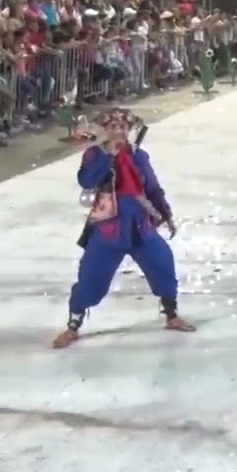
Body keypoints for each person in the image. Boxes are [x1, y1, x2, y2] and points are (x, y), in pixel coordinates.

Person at [53, 107, 194, 349]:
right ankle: (73, 324)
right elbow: (87, 181)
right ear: (105, 131)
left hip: (140, 225)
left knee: (163, 265)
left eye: (123, 128)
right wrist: (109, 157)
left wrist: (166, 213)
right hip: (109, 228)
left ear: (129, 130)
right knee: (91, 279)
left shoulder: (139, 155)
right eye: (112, 128)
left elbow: (152, 187)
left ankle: (171, 315)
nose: (118, 132)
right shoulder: (94, 155)